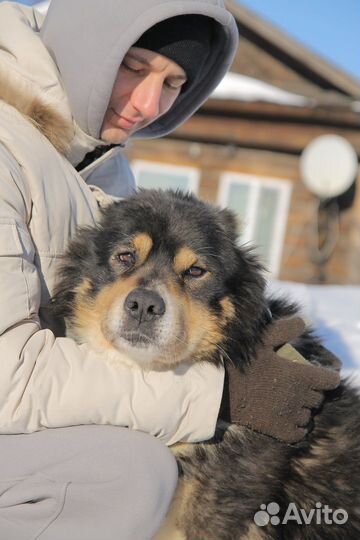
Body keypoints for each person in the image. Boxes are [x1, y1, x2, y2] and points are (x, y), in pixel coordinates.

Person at [0, 1, 339, 539]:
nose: (148, 103)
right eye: (134, 67)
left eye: (174, 82)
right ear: (89, 46)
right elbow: (9, 379)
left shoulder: (101, 169)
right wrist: (220, 394)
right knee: (127, 473)